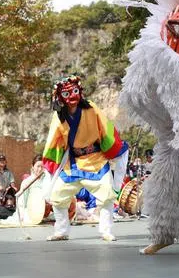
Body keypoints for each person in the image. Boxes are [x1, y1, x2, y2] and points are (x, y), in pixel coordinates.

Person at [41, 74, 128, 242]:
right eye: (66, 94)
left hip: (94, 159)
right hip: (72, 163)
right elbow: (54, 140)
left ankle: (106, 230)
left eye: (74, 91)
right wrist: (51, 161)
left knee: (107, 194)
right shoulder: (59, 116)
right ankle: (61, 231)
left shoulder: (91, 108)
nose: (72, 96)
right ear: (60, 97)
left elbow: (105, 129)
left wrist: (114, 149)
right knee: (58, 195)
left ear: (79, 91)